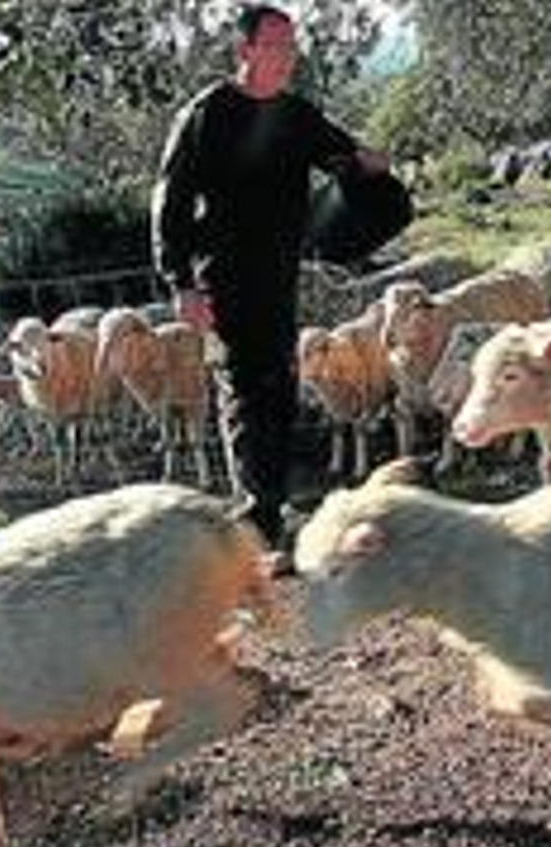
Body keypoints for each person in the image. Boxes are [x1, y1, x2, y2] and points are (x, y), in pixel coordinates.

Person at [152, 4, 389, 562]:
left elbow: (340, 157)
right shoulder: (206, 114)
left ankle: (270, 510)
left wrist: (368, 166)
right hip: (221, 282)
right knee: (241, 391)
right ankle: (257, 522)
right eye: (277, 46)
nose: (288, 57)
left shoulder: (296, 116)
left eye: (292, 46)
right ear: (246, 52)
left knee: (278, 390)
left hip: (278, 276)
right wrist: (180, 284)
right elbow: (171, 200)